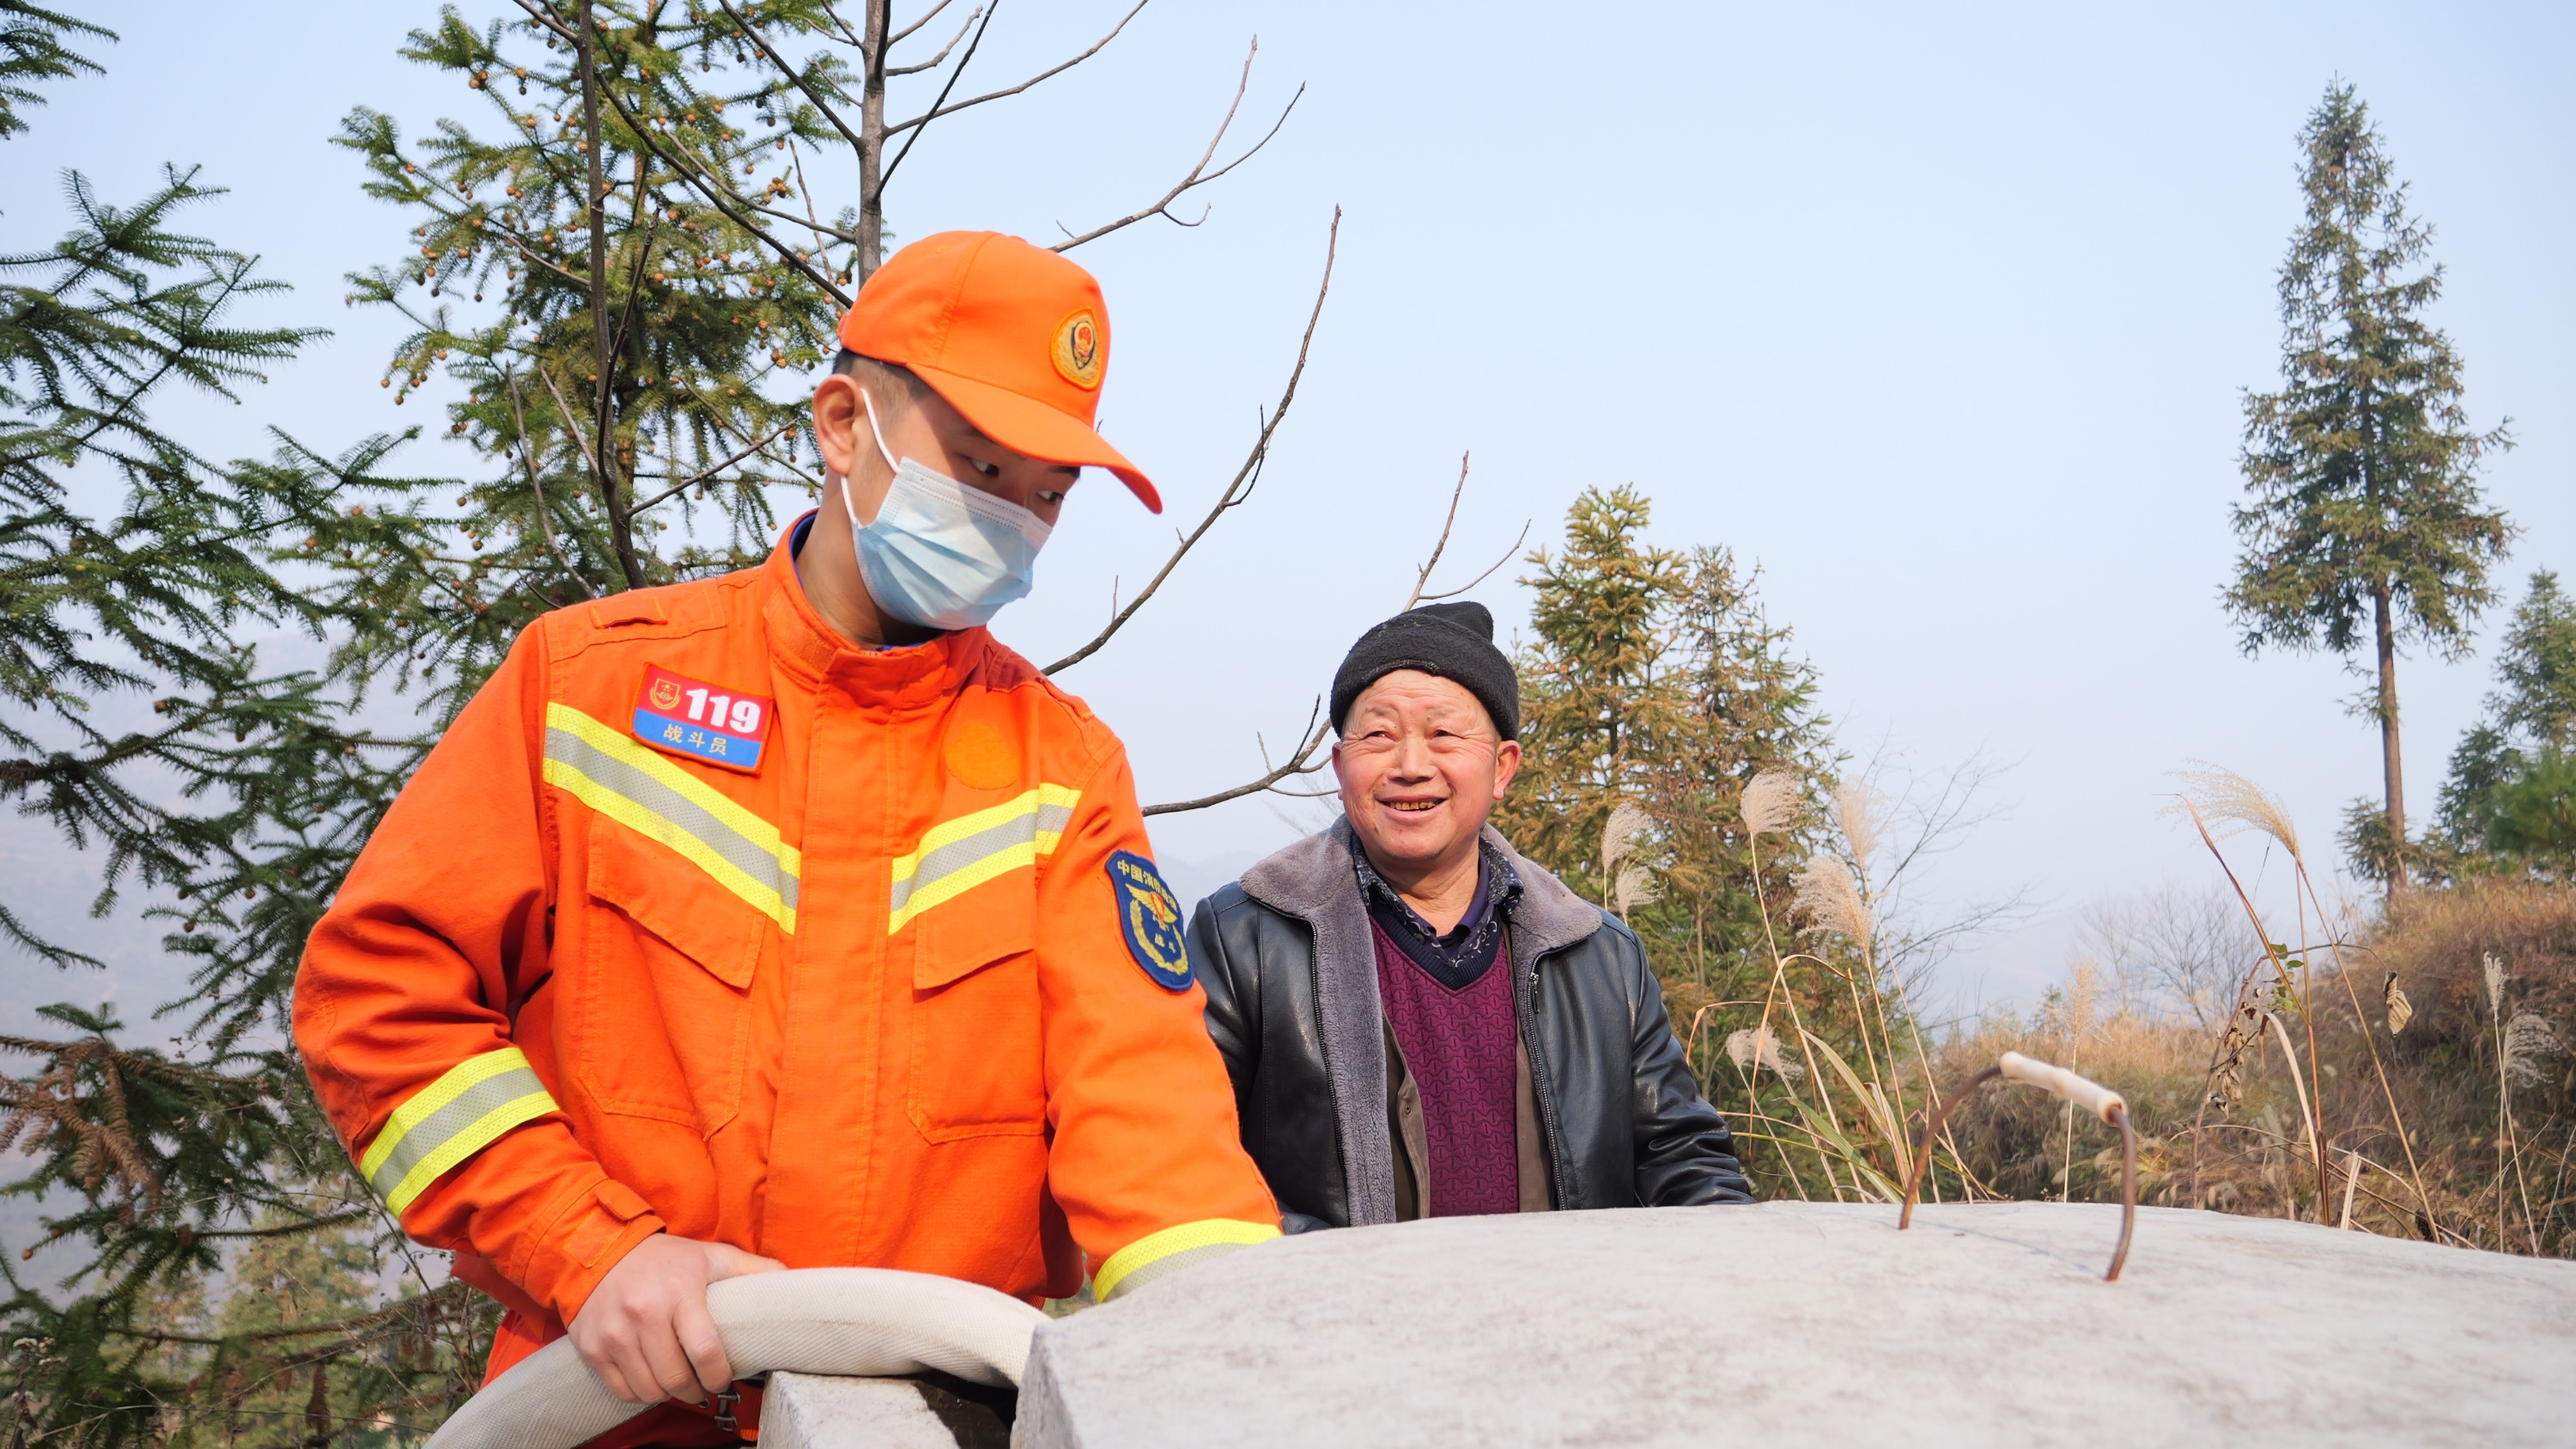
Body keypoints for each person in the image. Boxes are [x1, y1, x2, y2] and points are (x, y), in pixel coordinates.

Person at [295, 232, 1279, 1446]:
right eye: (980, 466)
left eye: (1047, 494)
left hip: (930, 1424)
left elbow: (1151, 1114)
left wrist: (1233, 1361)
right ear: (844, 424)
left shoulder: (1062, 771)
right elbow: (377, 1000)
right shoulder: (591, 689)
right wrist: (586, 1246)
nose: (1011, 521)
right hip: (605, 1414)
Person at [1188, 602, 1753, 1229]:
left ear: (1502, 767)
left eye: (1443, 734)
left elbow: (1683, 1157)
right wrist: (1335, 1266)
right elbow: (1185, 1156)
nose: (1410, 766)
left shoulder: (1599, 956)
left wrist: (1739, 1252)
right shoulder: (1248, 938)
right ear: (1342, 766)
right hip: (1334, 1294)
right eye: (1379, 735)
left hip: (1563, 1293)